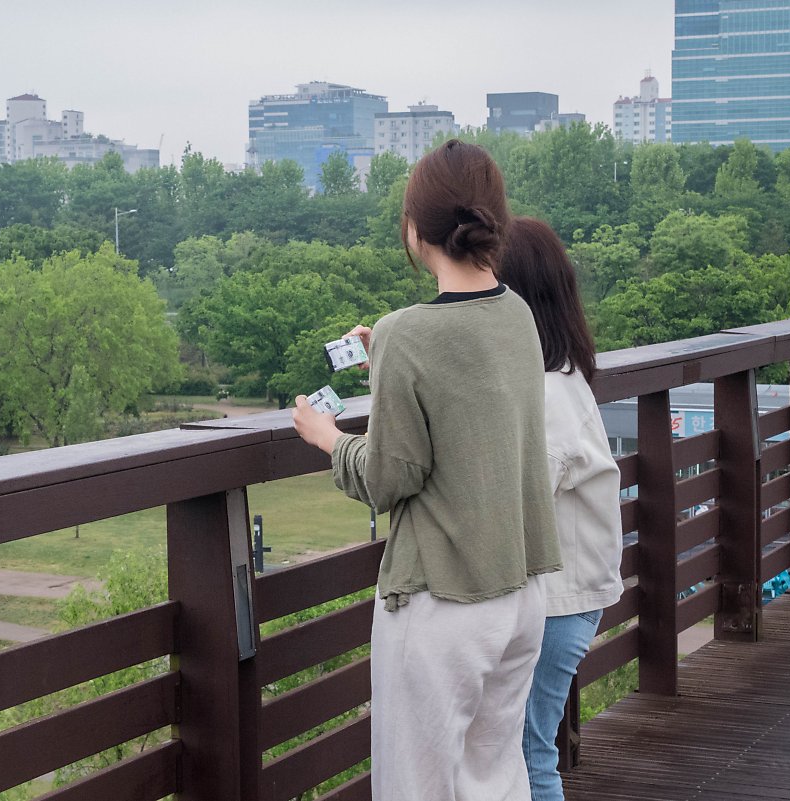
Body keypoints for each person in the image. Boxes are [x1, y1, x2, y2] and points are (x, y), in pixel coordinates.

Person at [292, 140, 562, 801]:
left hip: (444, 602)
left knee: (415, 788)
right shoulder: (517, 315)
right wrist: (384, 353)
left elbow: (389, 475)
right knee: (496, 782)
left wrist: (329, 439)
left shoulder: (408, 333)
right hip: (519, 593)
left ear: (414, 230)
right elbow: (465, 379)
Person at [497, 217, 624, 801]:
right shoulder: (557, 375)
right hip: (563, 598)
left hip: (556, 606)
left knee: (527, 753)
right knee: (527, 749)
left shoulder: (546, 394)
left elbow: (513, 500)